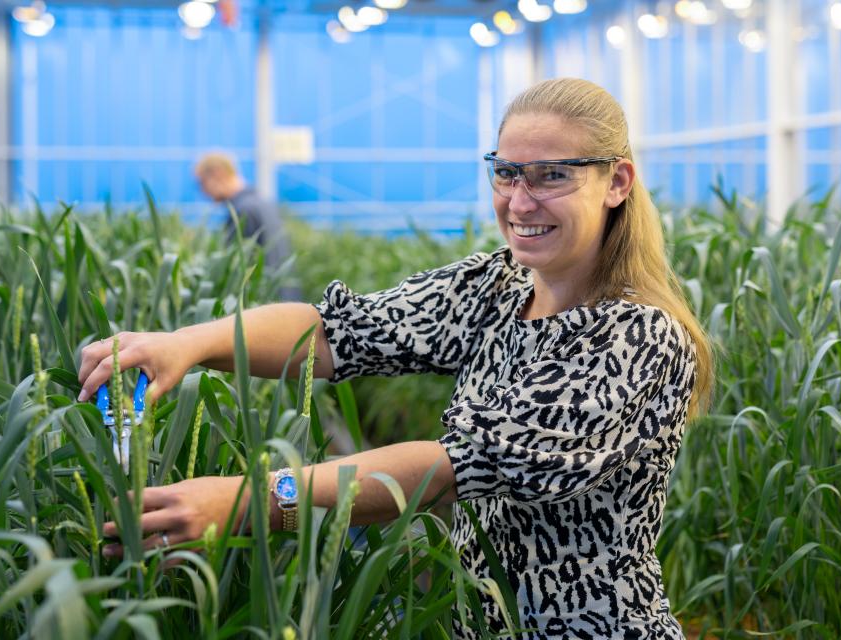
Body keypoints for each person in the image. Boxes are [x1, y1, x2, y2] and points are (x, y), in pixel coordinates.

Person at [79, 78, 713, 638]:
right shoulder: (497, 287)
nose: (520, 201)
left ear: (616, 182)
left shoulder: (638, 335)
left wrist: (252, 502)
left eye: (552, 175)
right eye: (506, 172)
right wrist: (187, 343)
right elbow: (337, 332)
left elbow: (449, 469)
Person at [195, 152, 297, 298]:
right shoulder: (262, 202)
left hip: (265, 301)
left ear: (218, 173)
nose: (203, 191)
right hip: (284, 297)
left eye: (202, 183)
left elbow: (236, 269)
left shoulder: (243, 211)